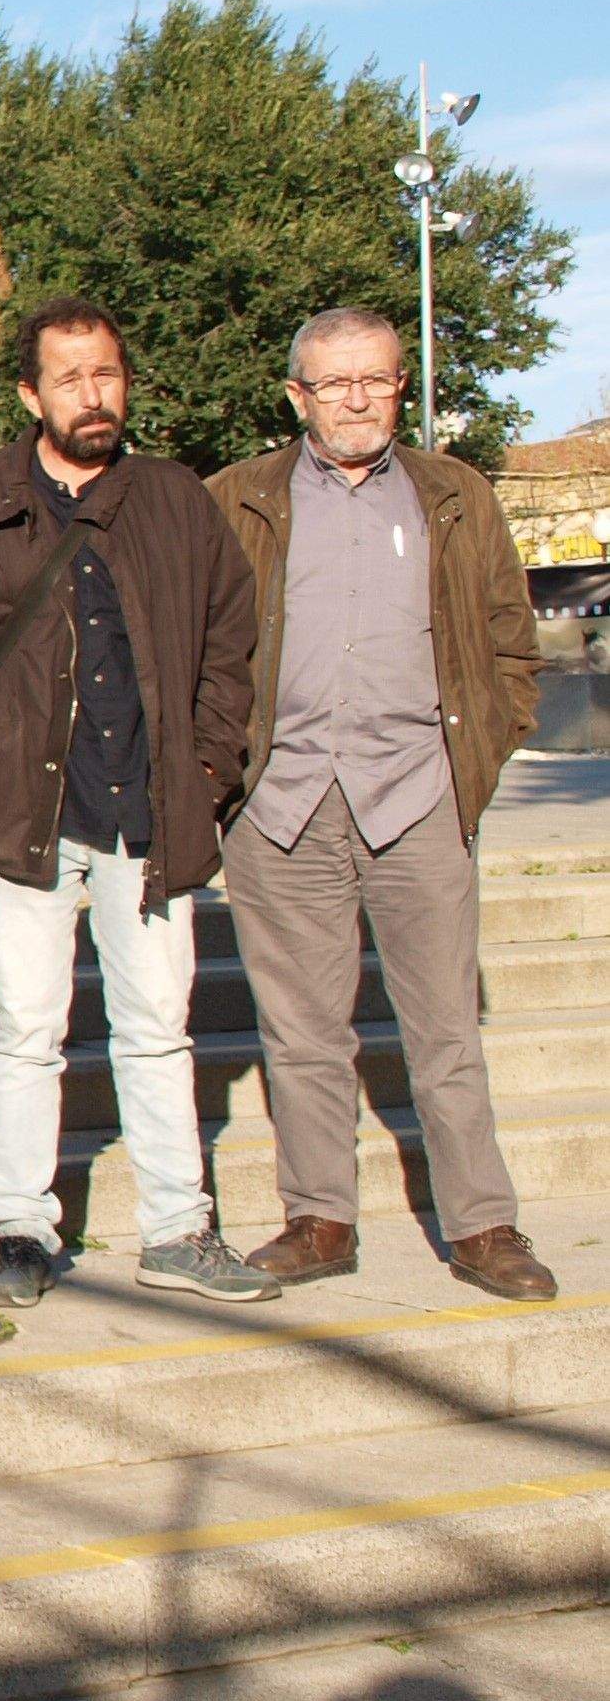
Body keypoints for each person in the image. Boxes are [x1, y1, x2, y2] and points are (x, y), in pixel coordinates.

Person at [0, 296, 276, 1311]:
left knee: (158, 1029)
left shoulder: (175, 499)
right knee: (26, 1030)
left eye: (105, 373)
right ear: (31, 395)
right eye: (69, 378)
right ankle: (21, 1229)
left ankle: (178, 1229)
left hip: (149, 810)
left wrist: (207, 771)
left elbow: (230, 640)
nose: (91, 394)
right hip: (24, 810)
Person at [211, 308, 553, 1301]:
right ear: (298, 396)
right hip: (281, 804)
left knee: (446, 1034)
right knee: (302, 1034)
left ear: (401, 386)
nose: (356, 400)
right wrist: (223, 773)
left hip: (418, 800)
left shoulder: (456, 494)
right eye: (334, 383)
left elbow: (510, 641)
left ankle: (483, 1226)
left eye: (376, 380)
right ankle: (319, 1221)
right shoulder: (236, 499)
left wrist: (474, 760)